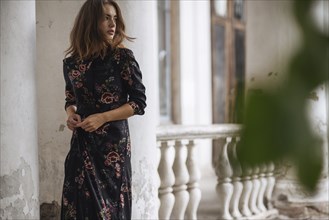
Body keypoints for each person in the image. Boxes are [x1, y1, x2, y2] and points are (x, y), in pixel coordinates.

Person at [61, 0, 146, 219]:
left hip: (112, 149)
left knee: (110, 211)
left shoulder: (122, 58)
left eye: (115, 18)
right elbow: (70, 98)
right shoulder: (72, 63)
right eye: (106, 17)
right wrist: (71, 115)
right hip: (82, 144)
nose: (113, 24)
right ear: (91, 21)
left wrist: (103, 117)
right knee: (78, 208)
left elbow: (138, 102)